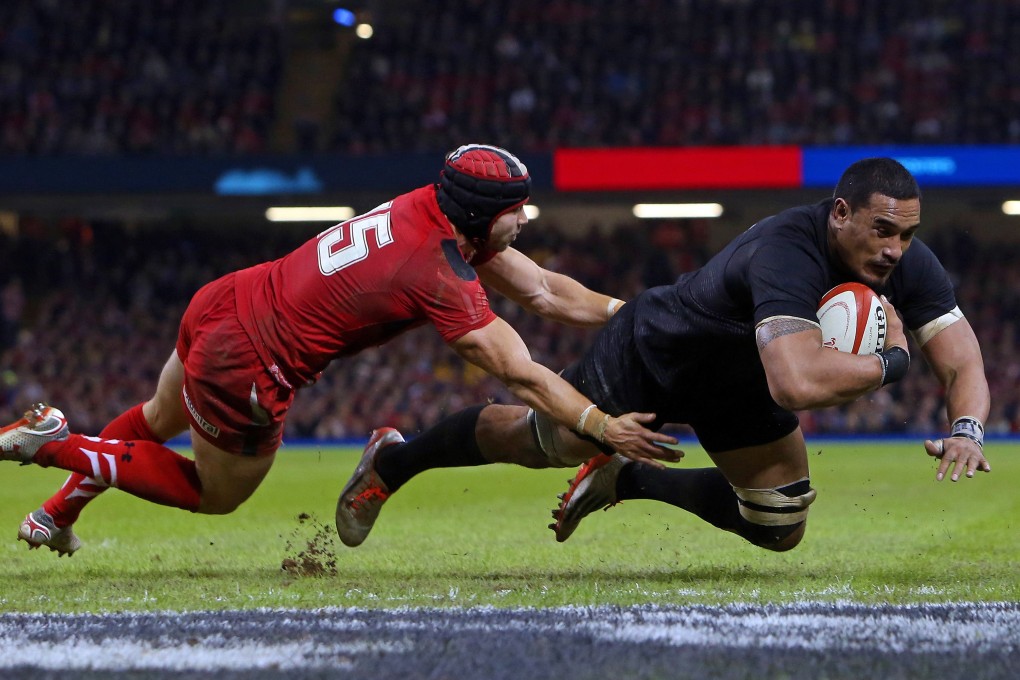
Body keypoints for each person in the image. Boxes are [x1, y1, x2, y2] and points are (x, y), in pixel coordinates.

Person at [0, 143, 678, 556]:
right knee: (214, 494)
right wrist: (601, 425)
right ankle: (54, 443)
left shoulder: (434, 208)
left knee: (155, 419)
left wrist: (630, 312)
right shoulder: (436, 270)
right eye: (515, 208)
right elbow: (521, 374)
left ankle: (57, 513)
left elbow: (545, 292)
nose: (525, 218)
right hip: (250, 364)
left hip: (227, 299)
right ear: (480, 214)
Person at [335, 157, 992, 552]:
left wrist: (966, 428)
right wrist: (893, 362)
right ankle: (394, 461)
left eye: (907, 234)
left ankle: (626, 478)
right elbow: (795, 384)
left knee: (780, 523)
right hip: (661, 348)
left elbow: (962, 359)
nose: (894, 250)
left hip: (738, 381)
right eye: (883, 230)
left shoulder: (906, 263)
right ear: (841, 213)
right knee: (543, 442)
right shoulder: (788, 252)